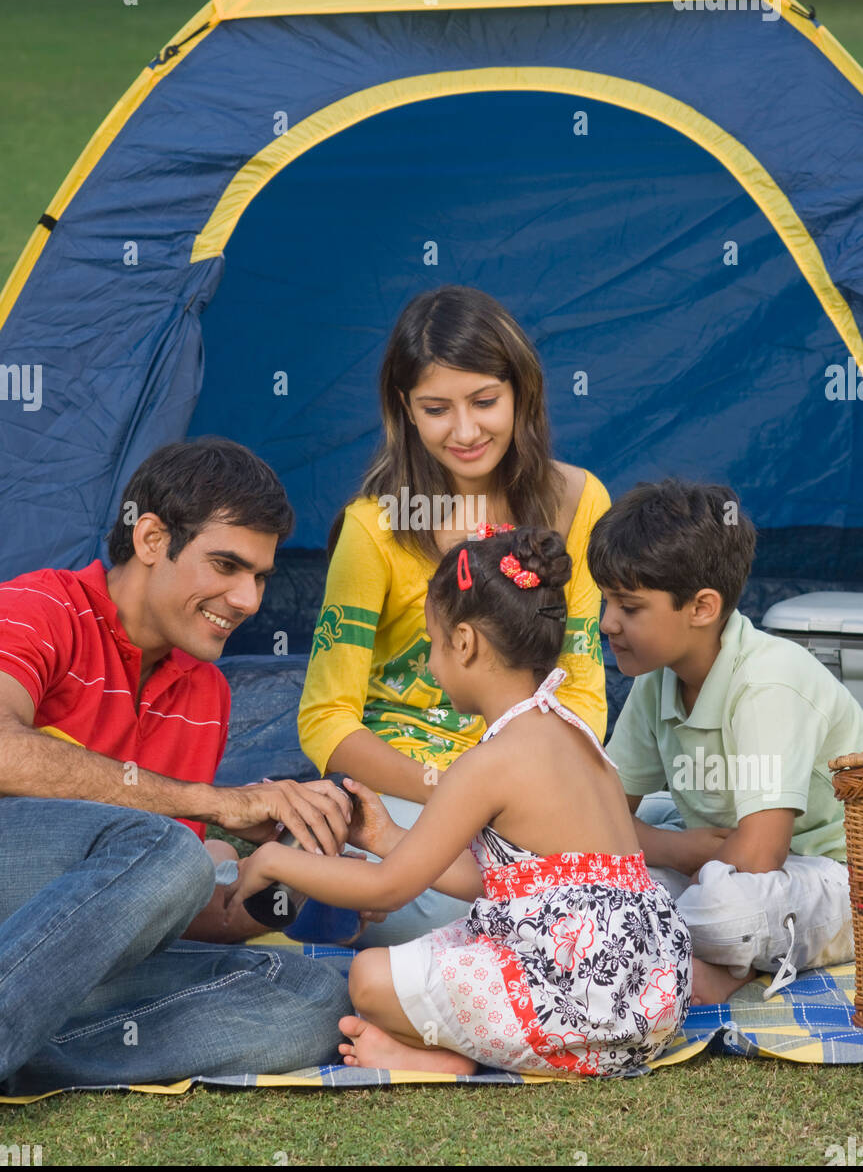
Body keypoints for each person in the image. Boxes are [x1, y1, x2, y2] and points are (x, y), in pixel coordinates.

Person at [230, 526, 691, 1076]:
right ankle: (470, 1051)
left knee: (370, 979)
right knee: (452, 945)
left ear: (466, 643)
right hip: (652, 999)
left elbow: (388, 887)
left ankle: (452, 1062)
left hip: (585, 999)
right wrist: (387, 838)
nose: (429, 665)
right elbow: (500, 881)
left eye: (432, 643)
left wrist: (273, 860)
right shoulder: (578, 738)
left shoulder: (489, 762)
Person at [0, 437, 353, 1095]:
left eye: (260, 576)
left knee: (308, 995)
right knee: (170, 850)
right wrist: (213, 802)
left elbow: (164, 905)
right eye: (226, 564)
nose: (247, 599)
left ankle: (27, 1056)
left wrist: (299, 877)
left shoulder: (205, 690)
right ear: (152, 538)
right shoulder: (40, 610)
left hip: (50, 966)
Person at [298, 285, 611, 947]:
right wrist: (453, 798)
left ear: (521, 393)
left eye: (484, 401)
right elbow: (326, 719)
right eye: (436, 409)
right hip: (413, 792)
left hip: (532, 786)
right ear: (404, 411)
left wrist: (522, 795)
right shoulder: (373, 527)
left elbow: (580, 685)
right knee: (460, 903)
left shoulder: (579, 502)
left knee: (652, 854)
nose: (464, 431)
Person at [589, 479, 861, 1006]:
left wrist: (659, 864)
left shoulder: (768, 682)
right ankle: (680, 951)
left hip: (835, 877)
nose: (607, 624)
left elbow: (760, 854)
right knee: (597, 874)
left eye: (629, 607)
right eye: (605, 602)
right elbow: (601, 816)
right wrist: (675, 847)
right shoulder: (656, 680)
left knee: (725, 910)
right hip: (717, 862)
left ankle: (669, 948)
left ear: (702, 607)